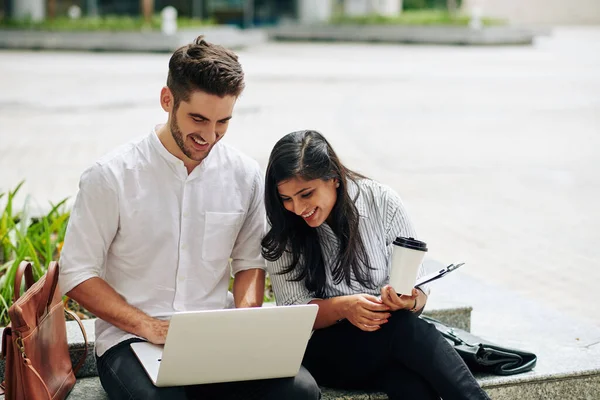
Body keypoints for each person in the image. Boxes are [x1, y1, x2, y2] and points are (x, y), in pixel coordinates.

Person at [58, 37, 320, 400]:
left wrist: (244, 323)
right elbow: (77, 273)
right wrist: (147, 326)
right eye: (198, 118)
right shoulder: (111, 176)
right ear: (167, 100)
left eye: (222, 122)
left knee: (300, 392)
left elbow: (249, 262)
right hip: (131, 341)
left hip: (216, 338)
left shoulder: (244, 174)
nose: (209, 135)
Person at [262, 130, 491, 400]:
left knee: (411, 386)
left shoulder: (382, 202)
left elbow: (417, 295)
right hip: (324, 352)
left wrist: (407, 301)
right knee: (403, 329)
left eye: (306, 194)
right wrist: (345, 308)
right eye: (286, 199)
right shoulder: (282, 229)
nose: (298, 208)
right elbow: (293, 312)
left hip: (384, 344)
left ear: (333, 178)